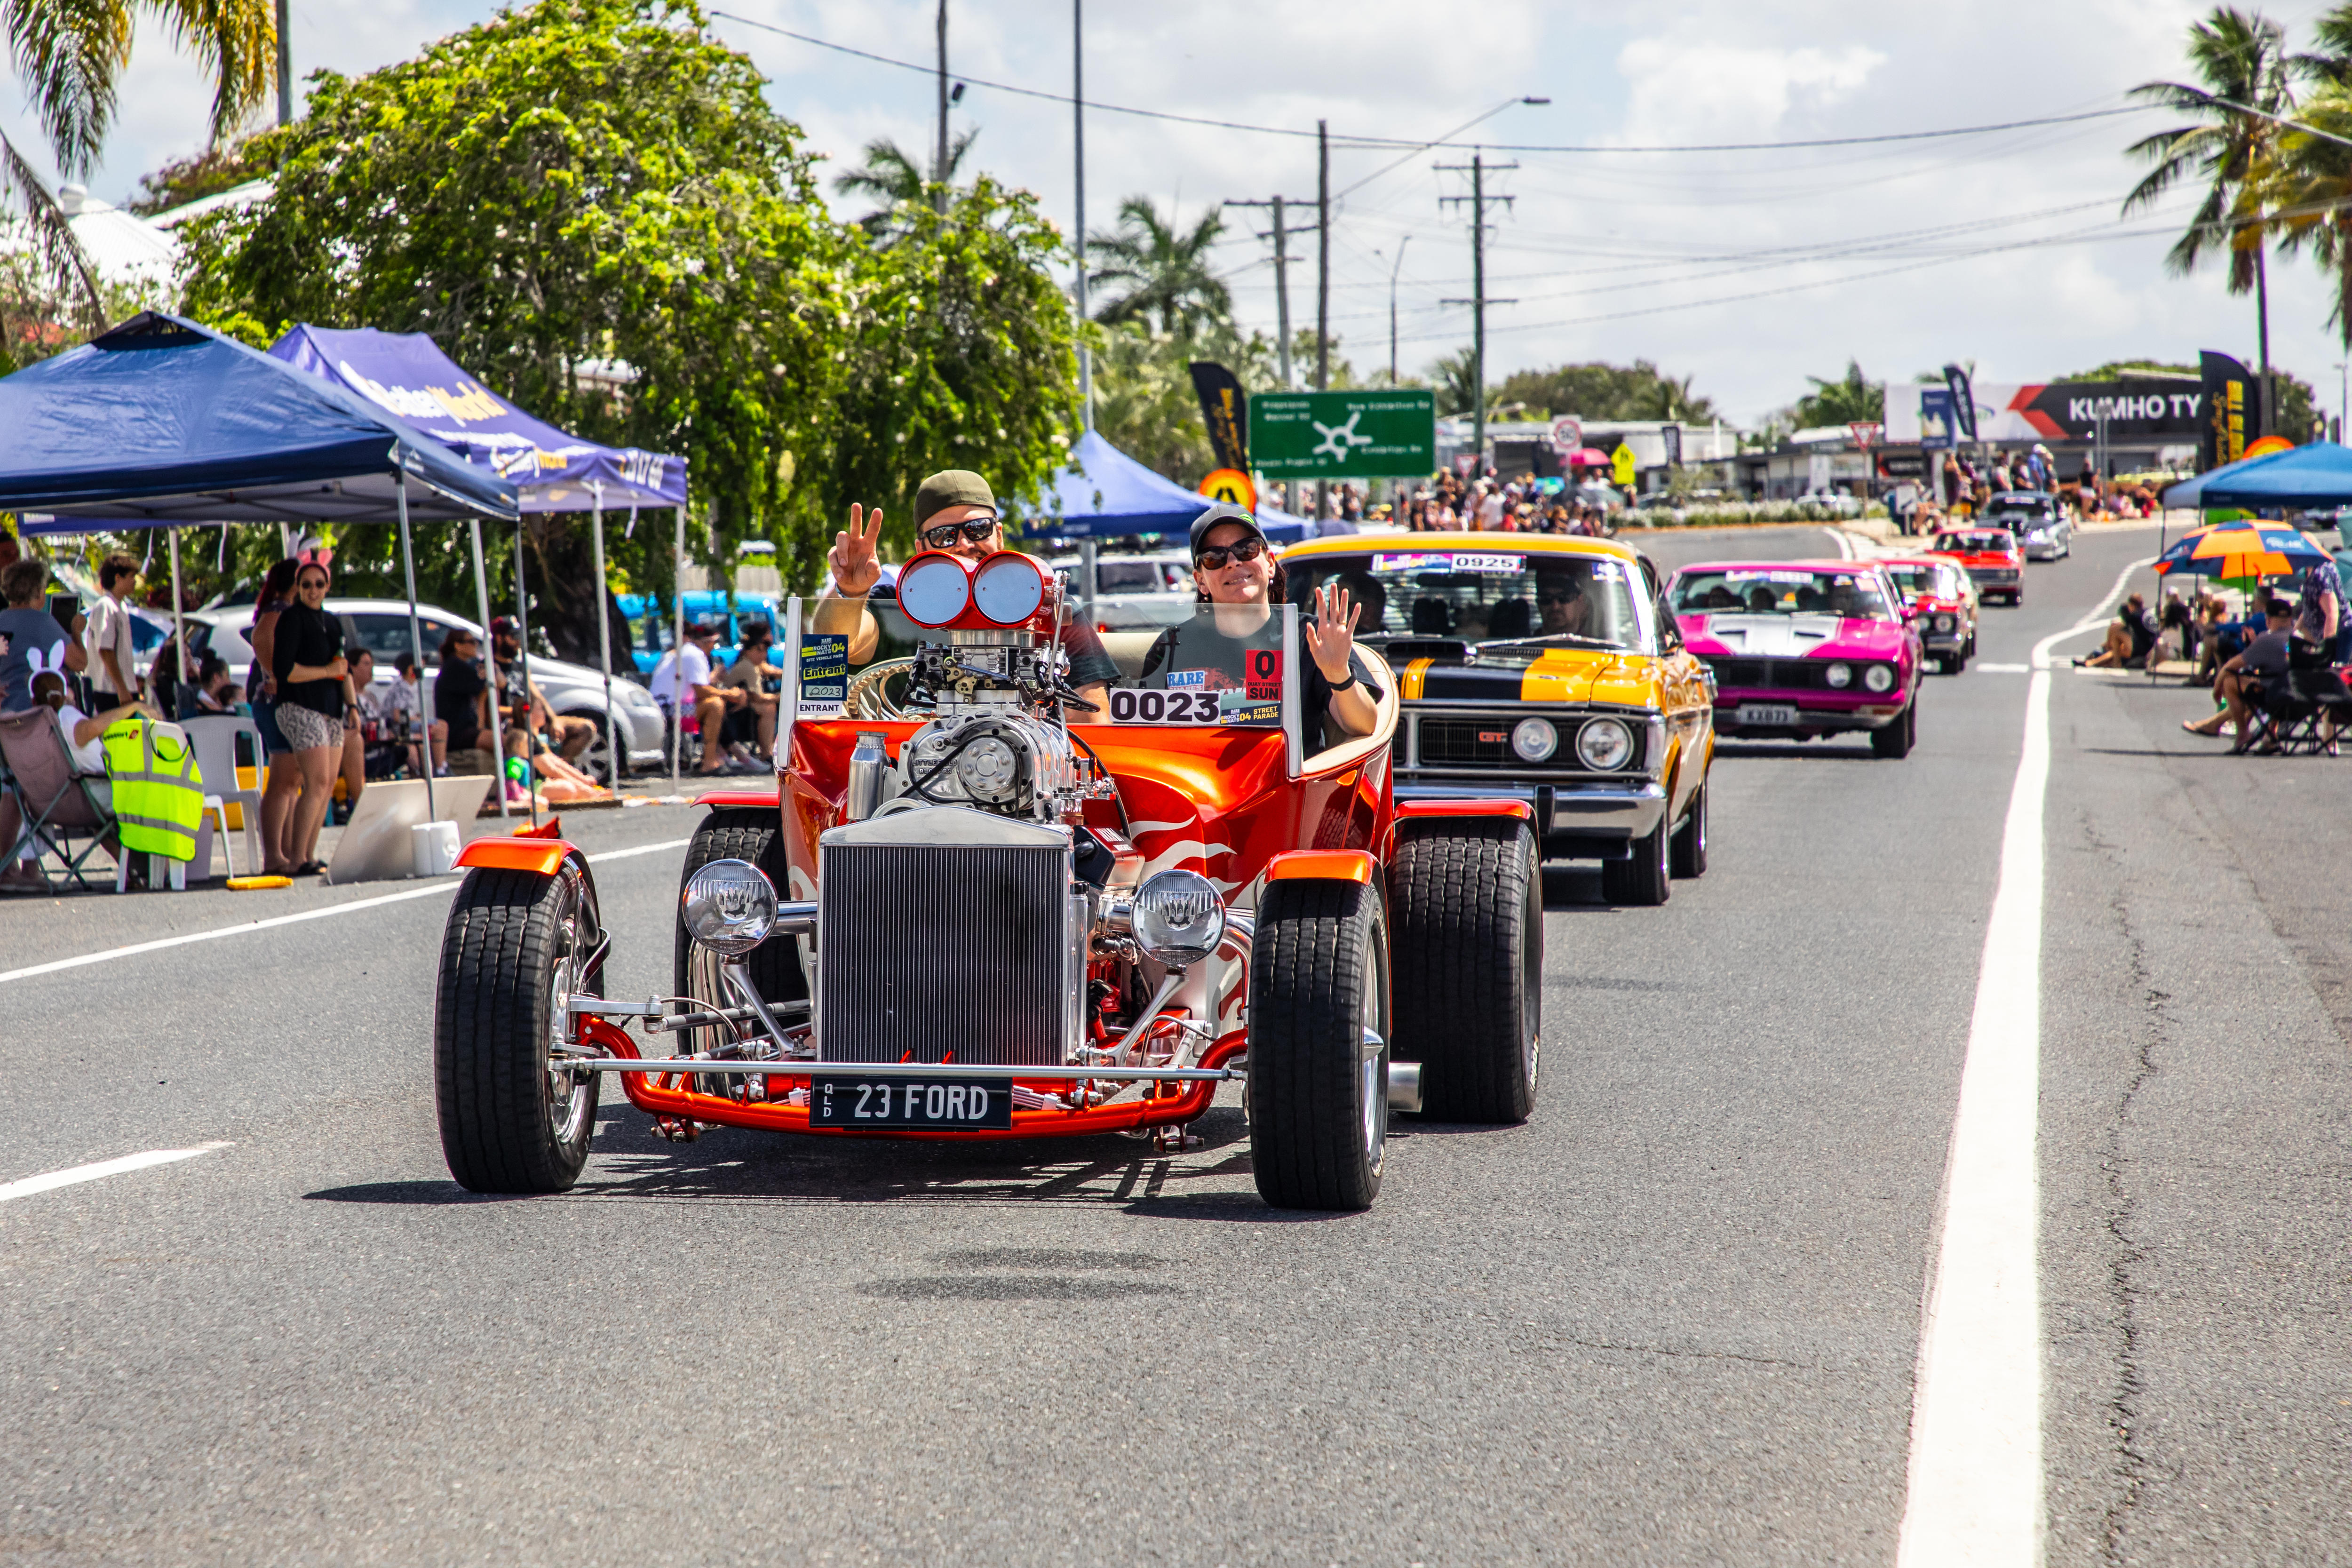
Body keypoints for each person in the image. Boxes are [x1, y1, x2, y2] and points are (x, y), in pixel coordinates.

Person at [813, 469, 1119, 717]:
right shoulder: (896, 605)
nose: (964, 544)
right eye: (944, 535)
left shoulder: (1045, 605)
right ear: (921, 548)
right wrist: (850, 592)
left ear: (999, 535)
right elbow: (839, 643)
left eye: (978, 528)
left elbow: (1091, 719)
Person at [1135, 503, 1379, 755]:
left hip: (1285, 779)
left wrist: (1338, 673)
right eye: (1214, 557)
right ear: (1201, 582)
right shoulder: (1173, 646)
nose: (1232, 563)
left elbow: (1364, 724)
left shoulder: (1310, 636)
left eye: (1246, 549)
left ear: (1270, 563)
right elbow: (1143, 737)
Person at [270, 561, 349, 875]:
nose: (313, 590)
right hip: (299, 705)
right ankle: (297, 859)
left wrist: (353, 706)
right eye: (306, 584)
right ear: (298, 588)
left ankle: (309, 855)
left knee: (327, 784)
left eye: (319, 584)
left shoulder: (332, 622)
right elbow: (285, 671)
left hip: (332, 708)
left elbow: (343, 668)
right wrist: (327, 672)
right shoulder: (291, 618)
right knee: (315, 783)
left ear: (327, 587)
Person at [246, 559, 302, 876]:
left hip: (280, 702)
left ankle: (286, 852)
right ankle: (274, 856)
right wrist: (275, 675)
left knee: (290, 780)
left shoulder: (281, 608)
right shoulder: (277, 610)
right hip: (273, 702)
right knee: (283, 780)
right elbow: (261, 638)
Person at [2184, 598, 2296, 750]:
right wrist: (2255, 644)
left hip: (2276, 697)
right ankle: (2269, 737)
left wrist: (2217, 690)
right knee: (2262, 684)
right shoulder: (2300, 637)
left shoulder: (2268, 639)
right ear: (2290, 618)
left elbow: (2230, 667)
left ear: (2268, 620)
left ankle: (2243, 733)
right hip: (2302, 698)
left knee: (2231, 681)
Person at [649, 621, 759, 774]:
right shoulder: (695, 654)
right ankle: (710, 761)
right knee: (715, 705)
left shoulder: (680, 652)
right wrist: (729, 694)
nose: (713, 648)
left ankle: (723, 753)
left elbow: (695, 688)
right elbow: (701, 691)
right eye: (714, 644)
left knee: (713, 704)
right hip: (669, 711)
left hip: (661, 707)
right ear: (709, 642)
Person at [490, 617, 594, 766]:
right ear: (499, 638)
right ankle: (548, 769)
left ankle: (559, 768)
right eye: (514, 637)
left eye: (520, 637)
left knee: (585, 728)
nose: (518, 642)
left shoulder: (520, 666)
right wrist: (521, 712)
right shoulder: (490, 668)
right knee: (523, 733)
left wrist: (553, 720)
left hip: (532, 717)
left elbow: (536, 696)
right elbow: (491, 710)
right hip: (512, 723)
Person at [0, 557, 87, 713]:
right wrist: (76, 632)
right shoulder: (43, 622)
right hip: (35, 712)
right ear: (37, 591)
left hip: (4, 711)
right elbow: (79, 663)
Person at [715, 619, 781, 762]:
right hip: (732, 708)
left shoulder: (752, 661)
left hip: (742, 704)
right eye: (760, 650)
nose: (764, 655)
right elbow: (758, 697)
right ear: (751, 649)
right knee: (768, 708)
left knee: (768, 706)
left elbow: (770, 670)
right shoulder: (749, 666)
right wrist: (781, 697)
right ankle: (766, 754)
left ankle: (769, 751)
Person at [83, 551, 142, 707]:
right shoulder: (106, 606)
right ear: (118, 578)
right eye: (131, 577)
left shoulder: (121, 606)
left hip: (124, 688)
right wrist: (121, 688)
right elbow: (105, 650)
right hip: (109, 690)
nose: (135, 581)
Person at [436, 626, 495, 776]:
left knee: (503, 740)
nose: (476, 645)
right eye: (471, 642)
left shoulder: (457, 666)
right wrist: (485, 676)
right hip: (457, 733)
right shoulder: (455, 666)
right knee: (501, 741)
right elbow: (481, 686)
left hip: (465, 729)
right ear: (458, 646)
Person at [385, 651, 443, 775]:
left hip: (404, 726)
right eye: (421, 668)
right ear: (411, 669)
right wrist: (417, 720)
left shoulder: (406, 686)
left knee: (423, 742)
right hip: (398, 729)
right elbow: (398, 716)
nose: (423, 672)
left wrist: (416, 717)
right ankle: (441, 768)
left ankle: (431, 772)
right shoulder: (402, 687)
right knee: (440, 726)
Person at [2077, 593, 2156, 669]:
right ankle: (2091, 662)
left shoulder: (2134, 617)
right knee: (2116, 650)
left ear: (2131, 606)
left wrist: (2109, 644)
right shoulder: (2146, 615)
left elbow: (2120, 627)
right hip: (2152, 648)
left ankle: (2114, 663)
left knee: (2116, 633)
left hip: (2141, 651)